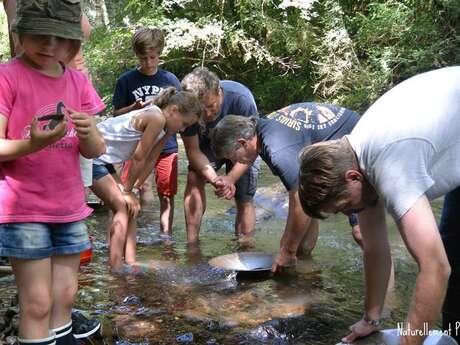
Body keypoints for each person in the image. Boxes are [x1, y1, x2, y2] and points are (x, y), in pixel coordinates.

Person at [297, 67, 460, 345]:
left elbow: (434, 267)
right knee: (452, 247)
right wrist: (370, 320)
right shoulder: (356, 161)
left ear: (353, 178)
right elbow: (375, 251)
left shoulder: (390, 166)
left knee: (442, 259)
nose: (349, 214)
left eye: (344, 206)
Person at [0, 1, 106, 344]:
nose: (48, 45)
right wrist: (32, 145)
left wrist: (90, 133)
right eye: (39, 35)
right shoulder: (7, 76)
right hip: (24, 209)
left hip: (69, 208)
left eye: (58, 38)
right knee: (37, 303)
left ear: (72, 44)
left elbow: (95, 151)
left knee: (64, 297)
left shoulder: (77, 82)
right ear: (20, 34)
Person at [210, 103, 362, 270]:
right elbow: (308, 200)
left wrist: (287, 250)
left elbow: (299, 199)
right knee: (301, 246)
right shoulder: (262, 130)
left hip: (357, 145)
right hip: (342, 144)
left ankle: (386, 294)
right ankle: (307, 272)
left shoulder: (277, 148)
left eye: (232, 157)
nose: (235, 163)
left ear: (242, 143)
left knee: (361, 233)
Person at [91, 87, 202, 272]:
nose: (183, 129)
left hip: (104, 159)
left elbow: (152, 158)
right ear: (173, 110)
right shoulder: (156, 117)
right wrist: (126, 191)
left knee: (132, 207)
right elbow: (138, 157)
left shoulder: (164, 127)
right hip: (91, 156)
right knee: (121, 205)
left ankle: (131, 260)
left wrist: (135, 187)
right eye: (184, 123)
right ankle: (115, 267)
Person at [112, 27, 181, 235]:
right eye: (143, 58)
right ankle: (138, 228)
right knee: (136, 187)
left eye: (153, 57)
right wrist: (133, 108)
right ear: (136, 55)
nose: (148, 63)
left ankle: (164, 234)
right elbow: (116, 114)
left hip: (166, 146)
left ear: (159, 54)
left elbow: (180, 112)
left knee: (167, 193)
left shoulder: (170, 80)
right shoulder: (126, 81)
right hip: (136, 144)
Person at [180, 67, 260, 243]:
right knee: (194, 177)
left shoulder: (241, 100)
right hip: (207, 146)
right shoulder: (186, 105)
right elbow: (193, 151)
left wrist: (230, 178)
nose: (207, 114)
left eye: (211, 106)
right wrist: (216, 179)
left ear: (219, 93)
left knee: (244, 198)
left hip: (242, 145)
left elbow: (254, 148)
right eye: (201, 110)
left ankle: (245, 247)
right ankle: (192, 244)